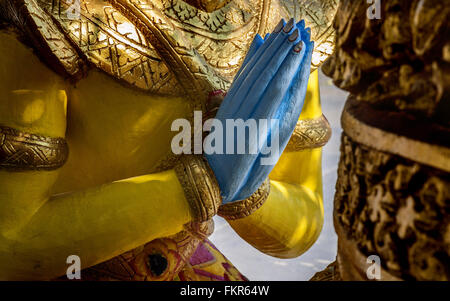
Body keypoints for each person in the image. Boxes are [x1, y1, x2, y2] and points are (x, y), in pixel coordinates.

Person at [0, 0, 336, 280]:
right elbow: (10, 243)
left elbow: (303, 221)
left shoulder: (286, 15)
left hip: (184, 258)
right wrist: (200, 185)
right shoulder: (50, 14)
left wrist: (247, 190)